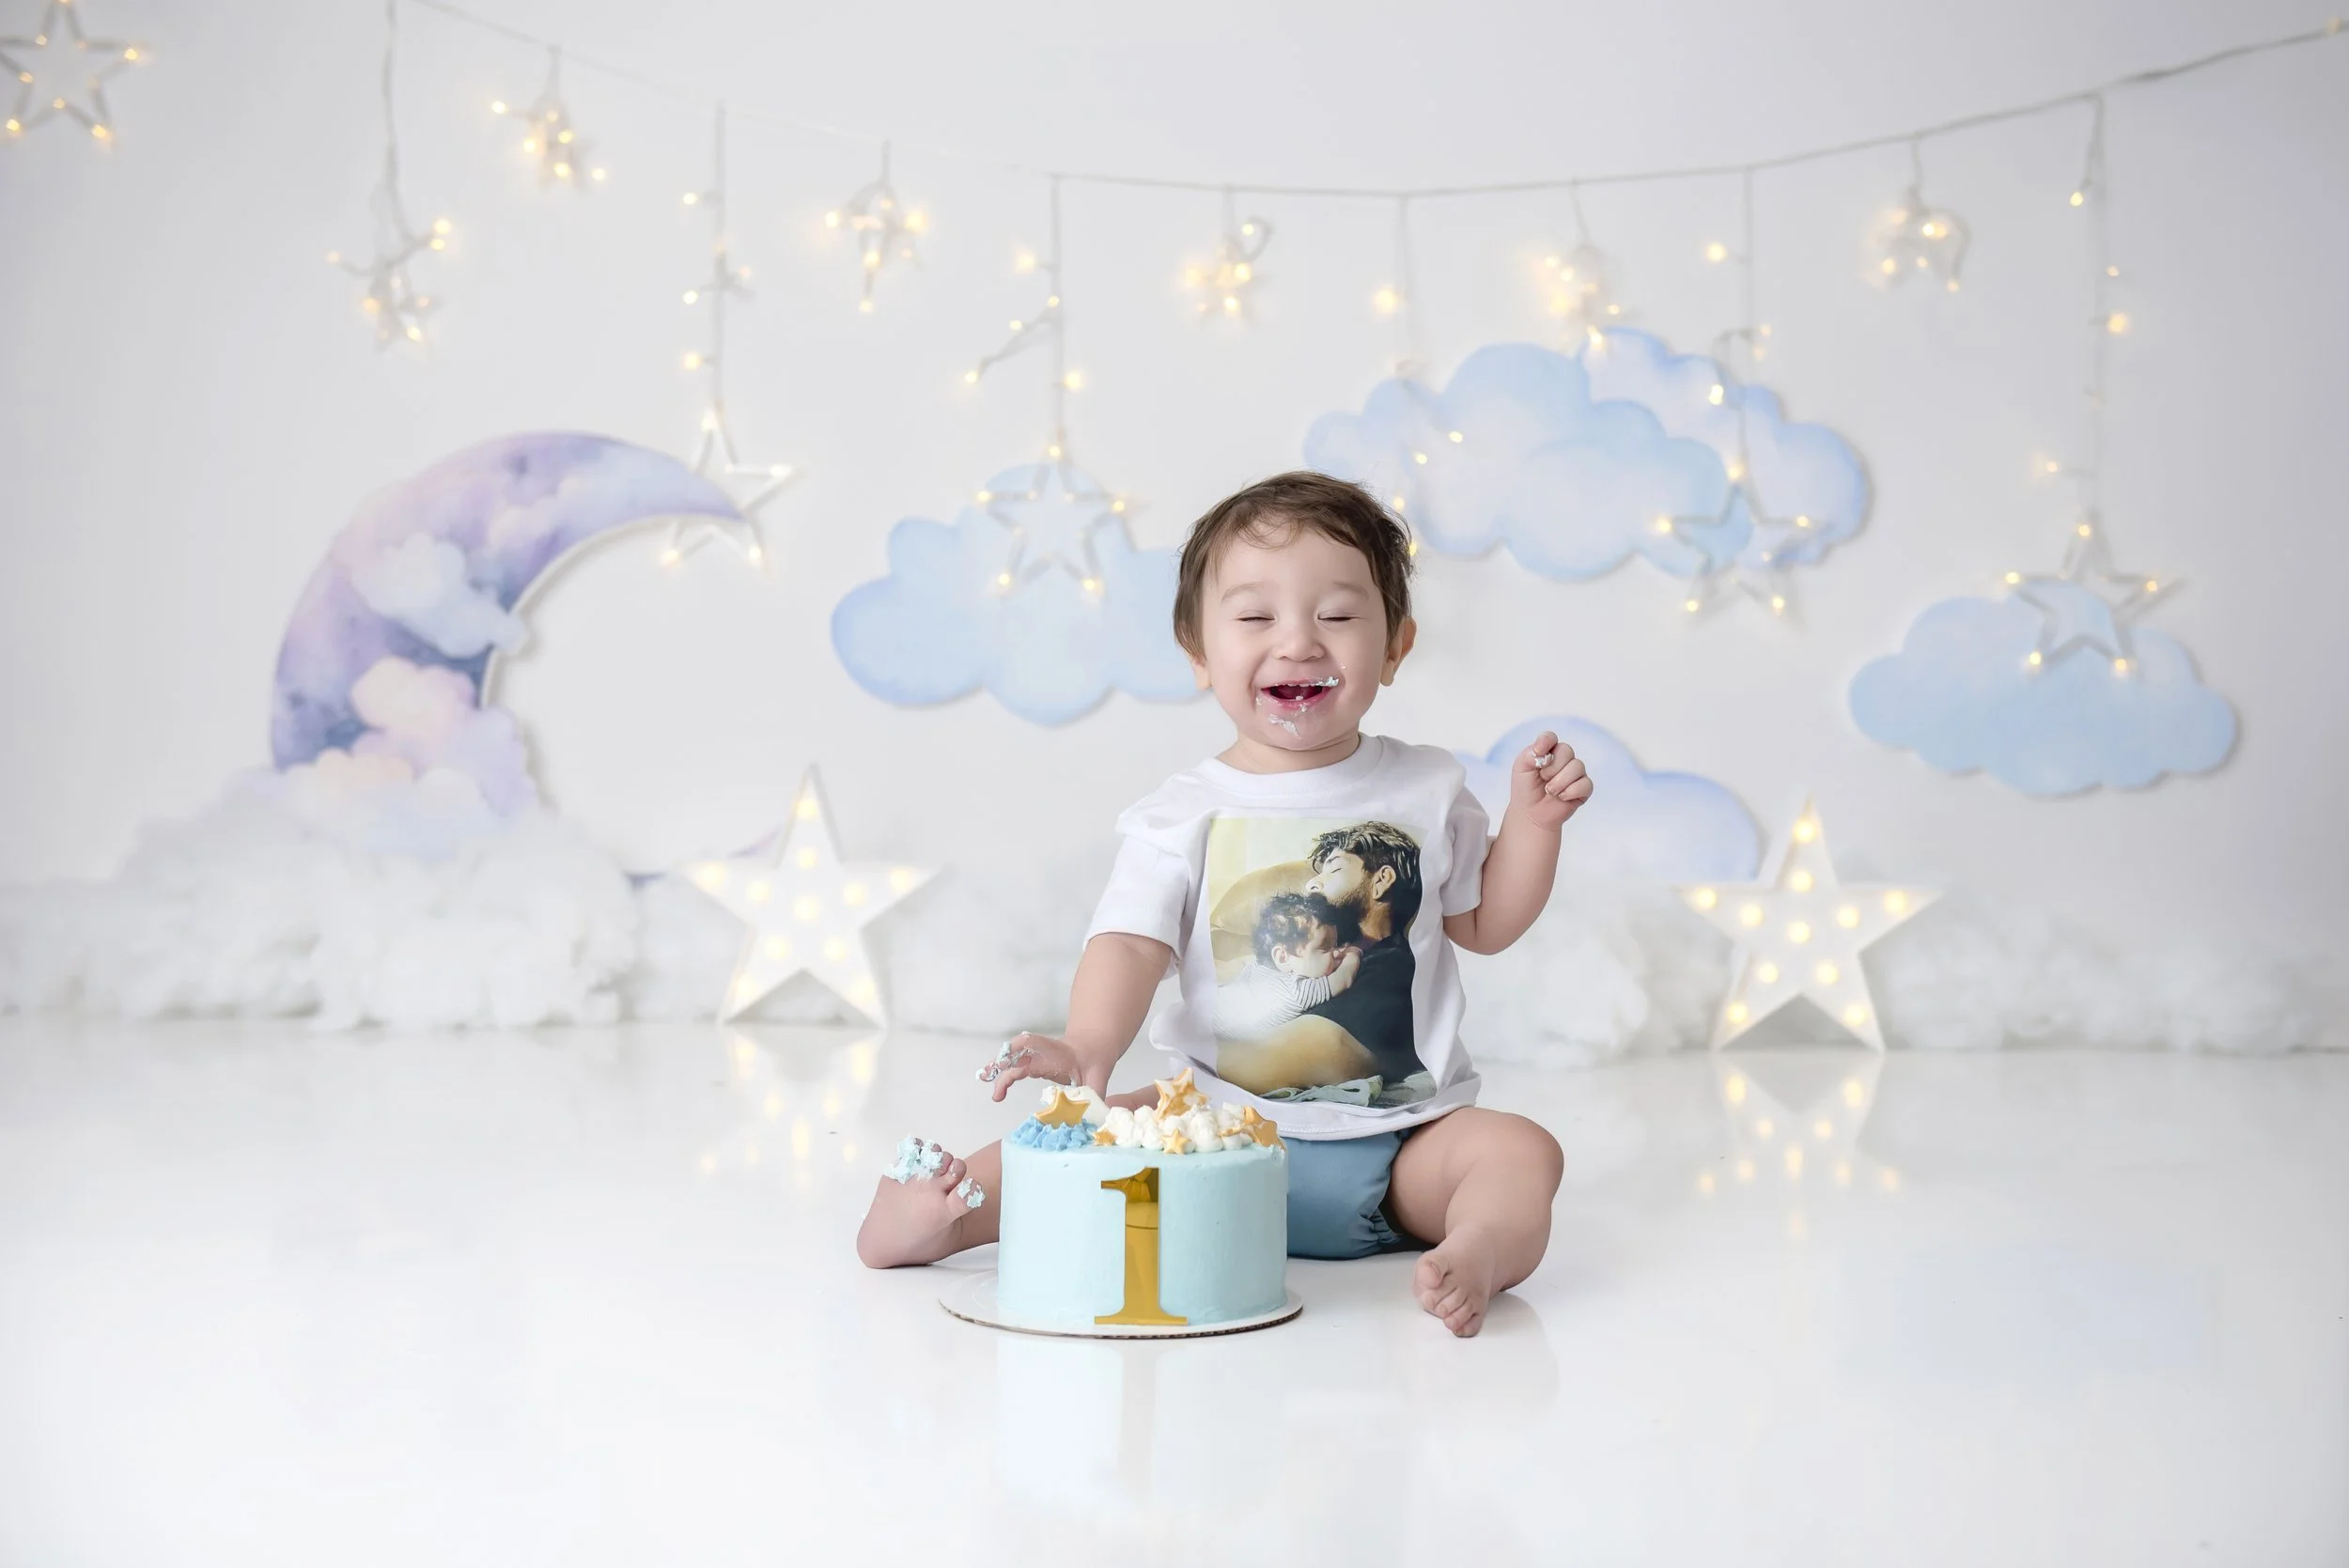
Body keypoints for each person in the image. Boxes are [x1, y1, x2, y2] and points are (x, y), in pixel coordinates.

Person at [856, 471, 1593, 1337]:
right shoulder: (1182, 813)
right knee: (1079, 1136)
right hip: (1212, 1133)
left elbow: (1486, 922)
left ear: (1397, 645)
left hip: (1405, 1148)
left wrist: (1534, 827)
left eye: (1338, 615)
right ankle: (940, 1218)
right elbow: (1130, 942)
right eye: (1255, 618)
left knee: (1522, 1151)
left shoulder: (1427, 788)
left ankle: (1477, 1248)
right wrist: (1091, 1041)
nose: (1299, 642)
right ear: (1198, 650)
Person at [1212, 891, 1363, 1042]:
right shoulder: (1297, 991)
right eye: (1325, 948)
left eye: (1335, 946)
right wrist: (1353, 952)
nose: (1336, 953)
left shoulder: (1258, 967)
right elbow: (1344, 979)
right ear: (1283, 958)